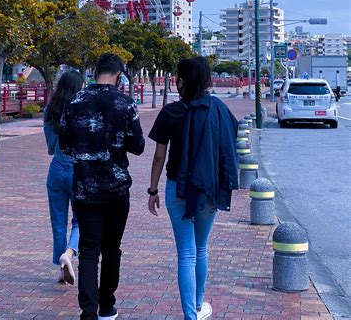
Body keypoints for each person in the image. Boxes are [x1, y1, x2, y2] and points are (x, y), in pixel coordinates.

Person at [148, 57, 239, 320]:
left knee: (186, 253)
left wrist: (152, 190)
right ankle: (199, 305)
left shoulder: (171, 112)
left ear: (182, 81)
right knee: (201, 248)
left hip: (177, 189)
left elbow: (158, 156)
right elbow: (229, 143)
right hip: (207, 188)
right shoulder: (219, 109)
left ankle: (190, 314)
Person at [59, 53, 145, 320]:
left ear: (95, 72)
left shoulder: (75, 102)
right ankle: (107, 305)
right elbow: (139, 146)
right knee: (111, 248)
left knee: (88, 249)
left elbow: (64, 143)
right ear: (119, 75)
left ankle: (88, 311)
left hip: (85, 188)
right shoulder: (125, 103)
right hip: (116, 189)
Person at [44, 69, 84, 285]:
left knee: (58, 222)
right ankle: (68, 254)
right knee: (80, 220)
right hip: (78, 170)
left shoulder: (50, 110)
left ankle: (61, 269)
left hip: (57, 169)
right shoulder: (82, 109)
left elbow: (50, 147)